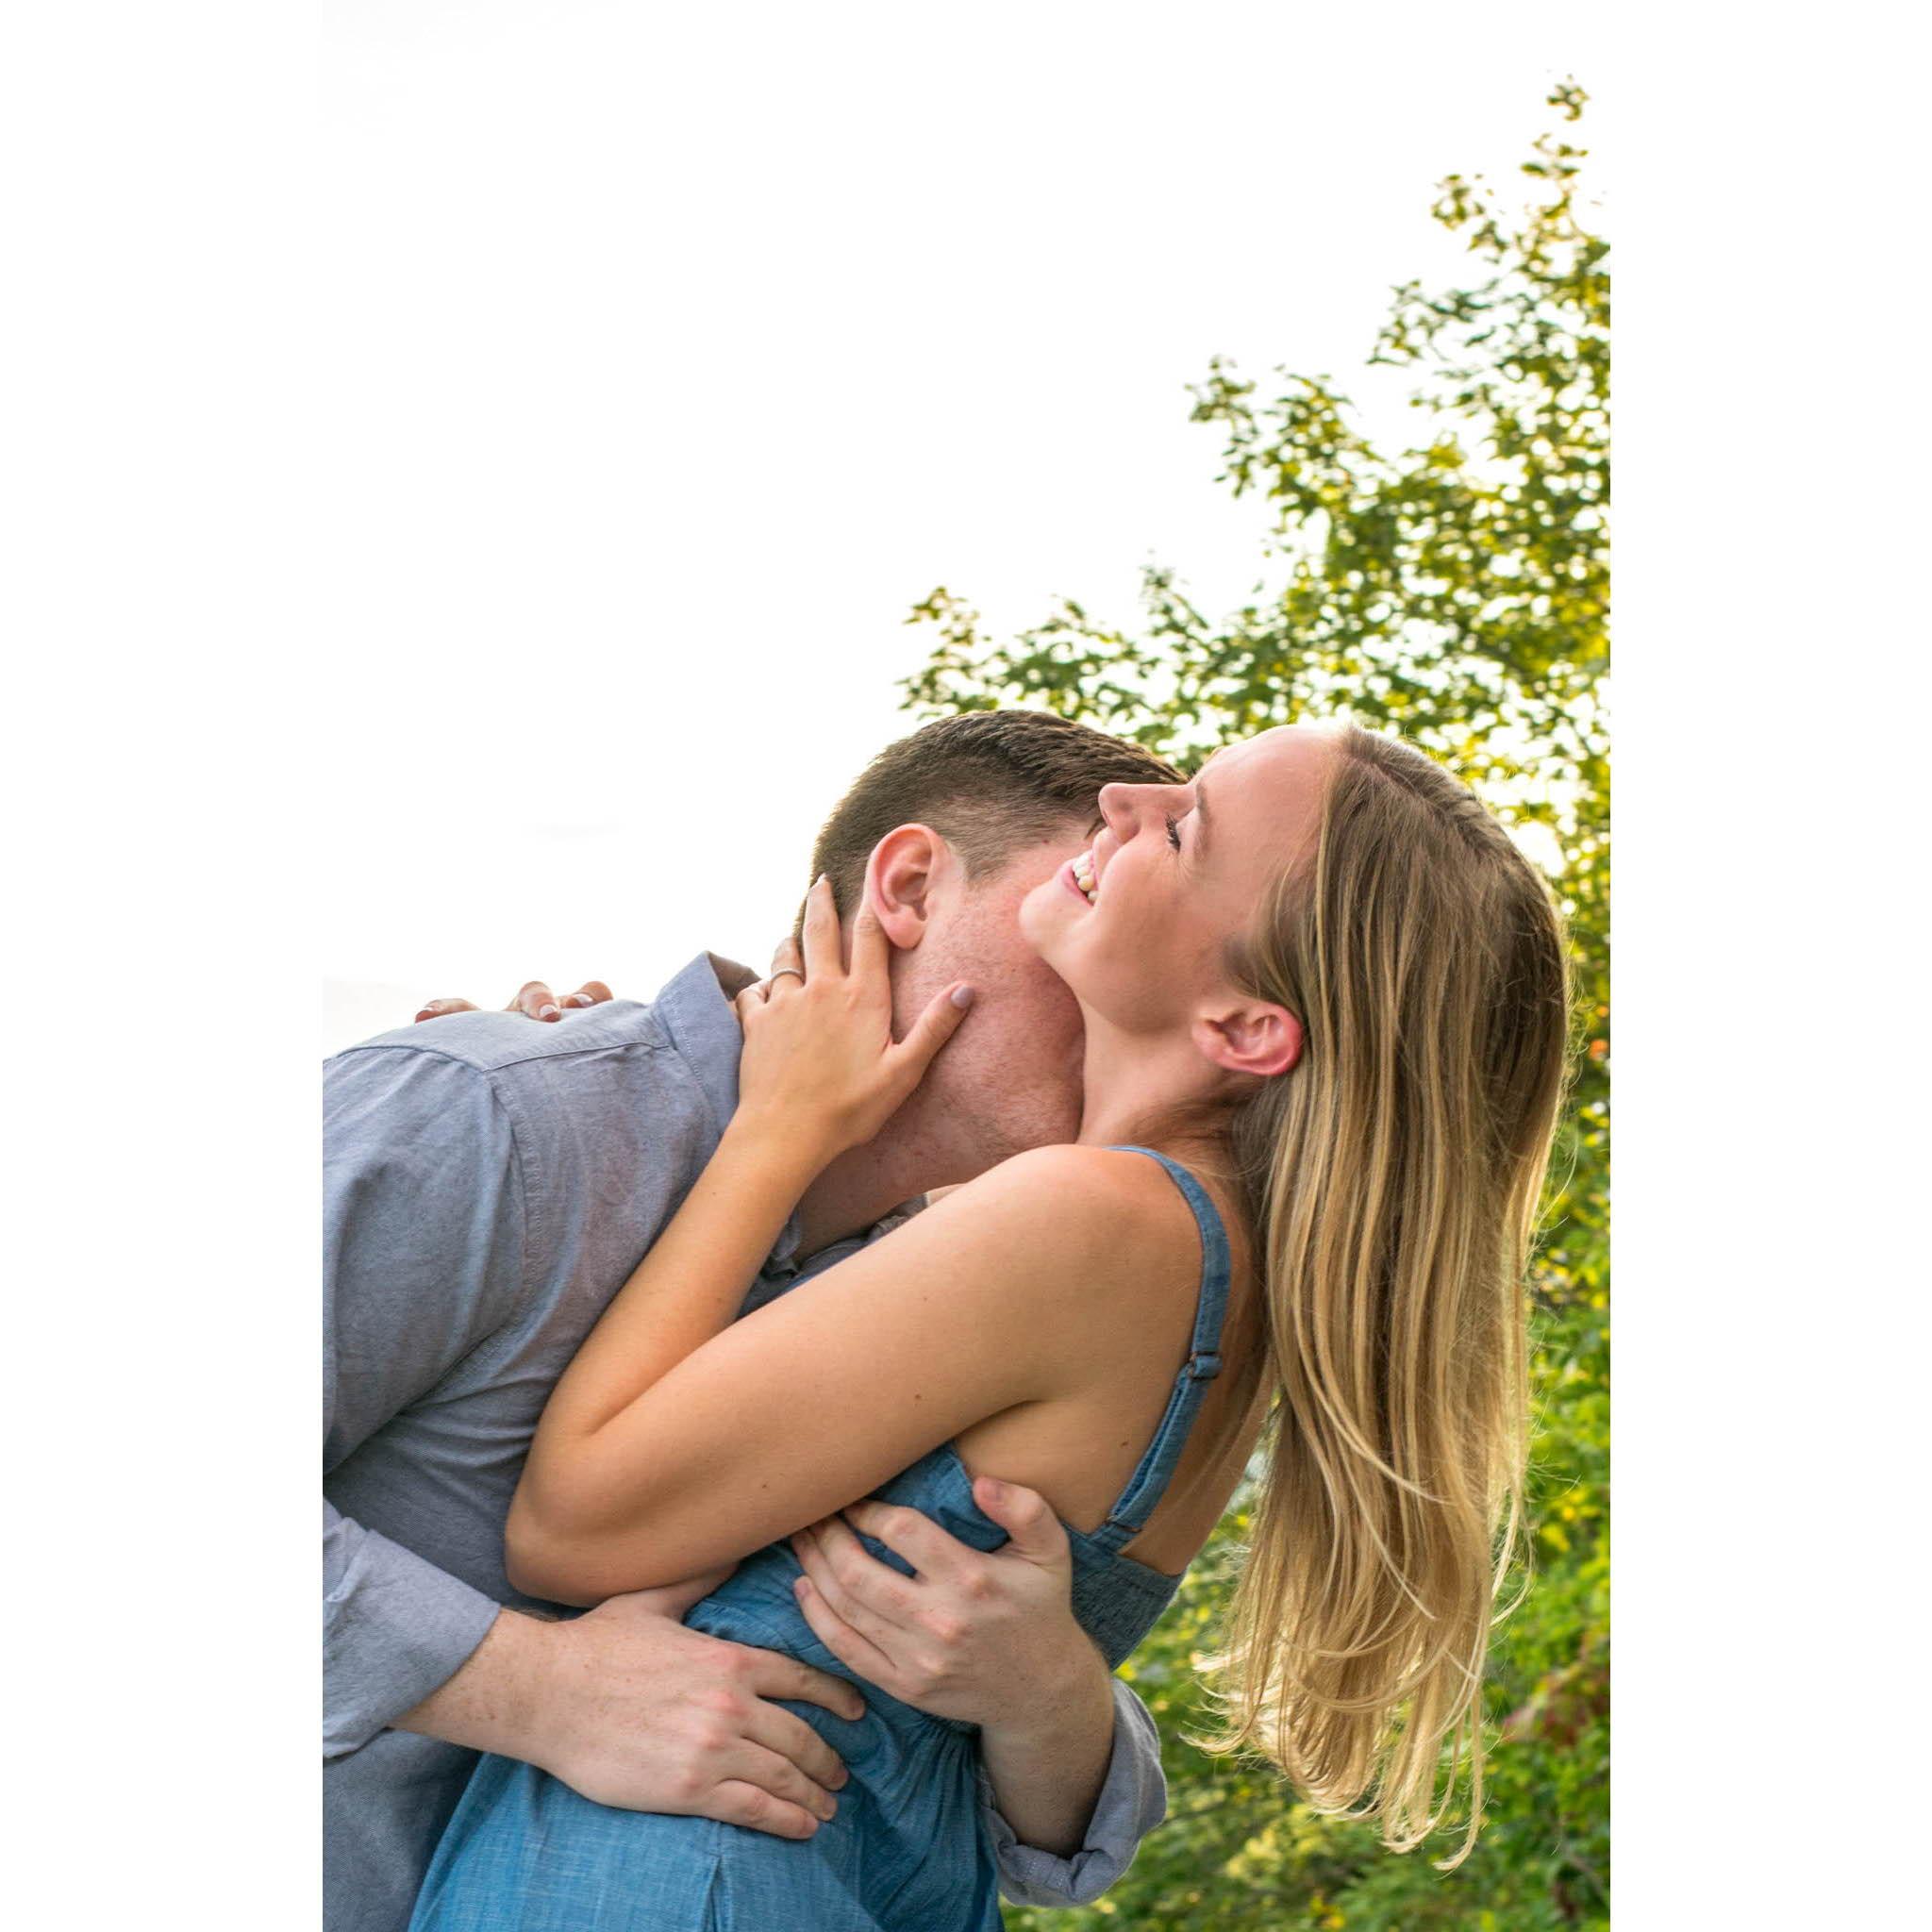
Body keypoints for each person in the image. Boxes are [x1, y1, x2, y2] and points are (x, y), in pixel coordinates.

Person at [406, 719, 1574, 1930]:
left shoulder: (1090, 1221)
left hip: (671, 1876)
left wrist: (771, 1131)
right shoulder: (1213, 1273)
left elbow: (573, 1521)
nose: (1124, 797)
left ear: (1242, 1026)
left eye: (1184, 827)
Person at [325, 711, 1188, 1932]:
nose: (1129, 984)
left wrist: (1051, 1694)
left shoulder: (953, 1289)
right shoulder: (489, 1114)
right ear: (909, 887)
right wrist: (539, 1694)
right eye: (1086, 904)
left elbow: (1065, 1845)